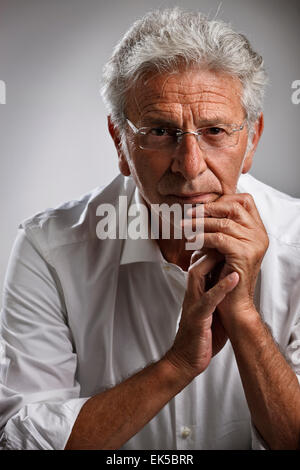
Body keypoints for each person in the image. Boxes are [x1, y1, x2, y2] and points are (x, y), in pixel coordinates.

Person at [0, 7, 299, 451]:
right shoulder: (48, 248)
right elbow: (23, 442)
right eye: (160, 131)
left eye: (215, 130)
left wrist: (245, 319)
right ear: (120, 142)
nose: (190, 167)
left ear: (251, 139)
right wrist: (176, 364)